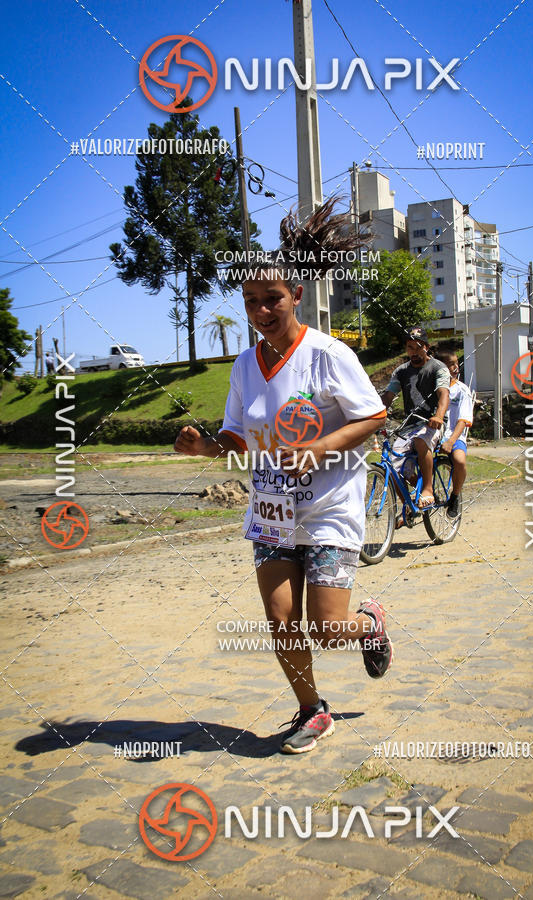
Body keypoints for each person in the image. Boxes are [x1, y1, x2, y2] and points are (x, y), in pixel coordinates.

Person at [174, 198, 392, 755]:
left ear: (295, 294)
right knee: (280, 619)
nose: (262, 310)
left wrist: (321, 448)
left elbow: (373, 414)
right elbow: (238, 437)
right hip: (272, 509)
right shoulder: (244, 366)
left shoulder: (328, 354)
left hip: (329, 506)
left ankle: (371, 623)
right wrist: (207, 447)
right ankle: (310, 710)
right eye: (250, 301)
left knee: (326, 629)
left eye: (272, 298)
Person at [380, 328, 450, 509]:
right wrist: (374, 413)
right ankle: (409, 506)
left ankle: (427, 488)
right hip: (409, 426)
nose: (413, 352)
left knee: (421, 441)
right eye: (409, 347)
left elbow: (444, 394)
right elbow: (388, 396)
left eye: (417, 347)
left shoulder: (438, 368)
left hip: (433, 423)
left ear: (426, 347)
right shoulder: (401, 371)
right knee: (393, 466)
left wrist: (439, 416)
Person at [435, 349, 473, 518]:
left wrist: (451, 441)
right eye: (451, 365)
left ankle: (455, 496)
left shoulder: (462, 390)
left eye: (456, 363)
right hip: (434, 435)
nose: (456, 367)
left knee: (459, 461)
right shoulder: (433, 389)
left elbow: (463, 420)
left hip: (454, 435)